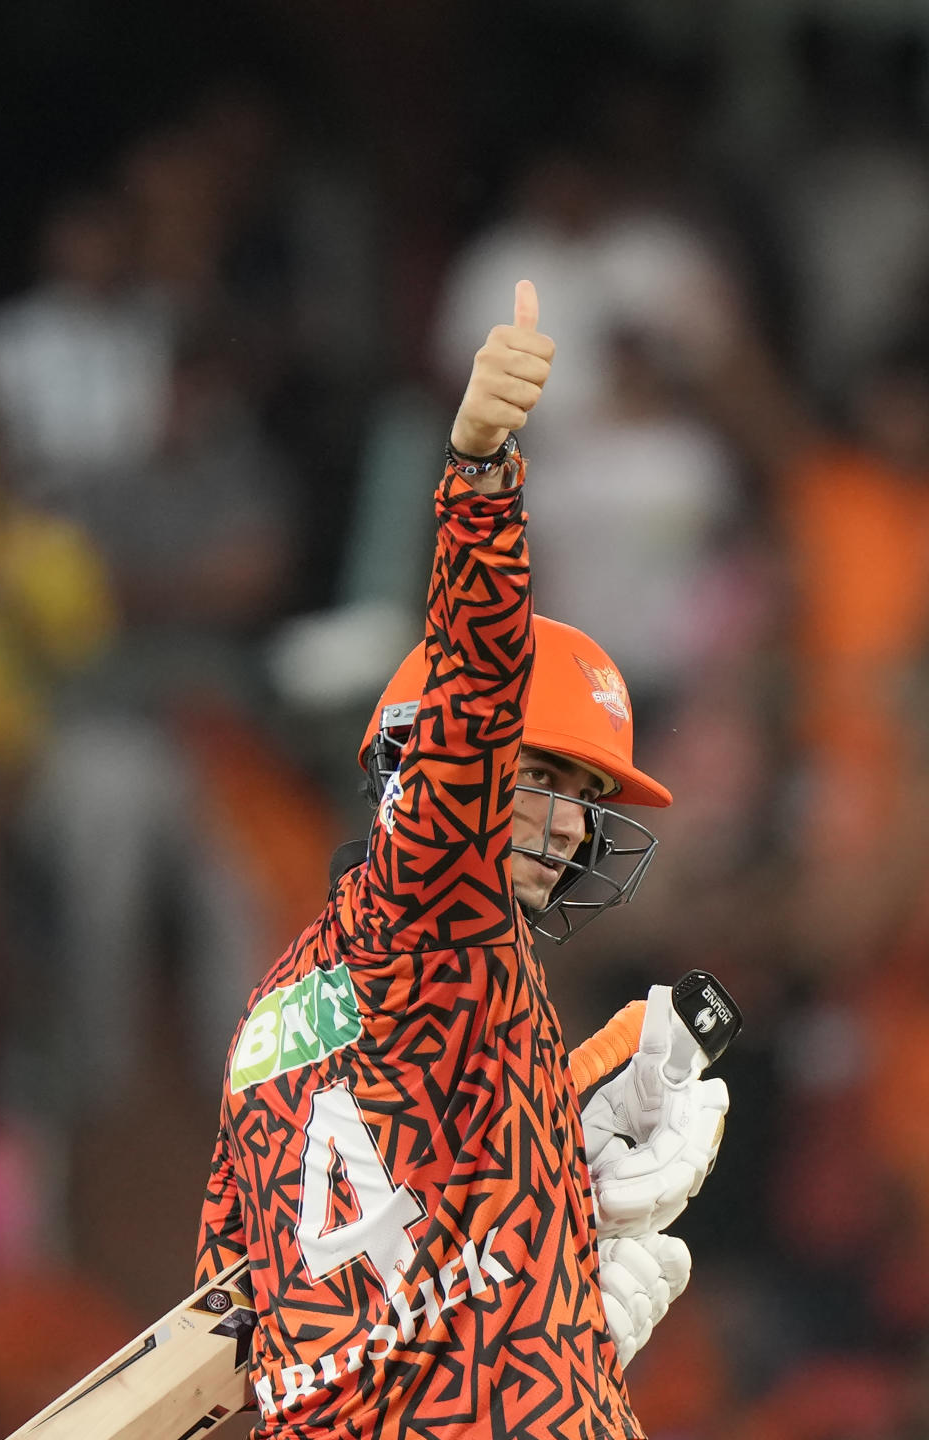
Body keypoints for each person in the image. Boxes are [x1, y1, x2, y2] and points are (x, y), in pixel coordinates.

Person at [196, 283, 729, 1439]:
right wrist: (480, 469)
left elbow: (242, 1314)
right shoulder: (443, 911)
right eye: (542, 779)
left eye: (588, 801)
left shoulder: (279, 1014)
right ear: (422, 775)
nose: (572, 827)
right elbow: (475, 686)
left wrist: (557, 1274)